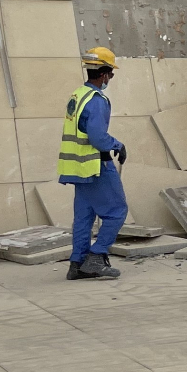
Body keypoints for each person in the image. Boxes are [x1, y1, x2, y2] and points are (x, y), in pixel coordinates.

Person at [60, 47, 128, 280]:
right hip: (96, 166)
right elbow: (98, 138)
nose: (110, 78)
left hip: (78, 168)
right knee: (117, 211)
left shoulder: (78, 95)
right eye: (111, 74)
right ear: (104, 73)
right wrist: (117, 145)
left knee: (84, 218)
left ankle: (77, 264)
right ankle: (97, 257)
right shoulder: (97, 100)